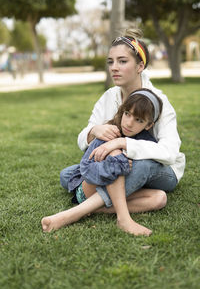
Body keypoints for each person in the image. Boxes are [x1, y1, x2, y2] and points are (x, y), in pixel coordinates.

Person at [43, 28, 185, 235]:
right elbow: (82, 138)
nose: (114, 68)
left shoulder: (159, 101)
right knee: (68, 175)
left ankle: (78, 213)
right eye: (111, 62)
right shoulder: (109, 97)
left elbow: (170, 152)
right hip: (125, 168)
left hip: (161, 170)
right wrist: (95, 131)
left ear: (140, 66)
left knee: (132, 161)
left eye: (122, 61)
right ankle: (106, 205)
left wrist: (122, 143)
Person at [41, 88, 163, 235]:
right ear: (122, 111)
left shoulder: (146, 143)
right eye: (127, 114)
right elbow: (87, 169)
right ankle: (123, 219)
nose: (129, 123)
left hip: (114, 192)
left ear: (149, 125)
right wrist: (120, 164)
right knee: (115, 156)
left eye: (138, 120)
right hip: (90, 186)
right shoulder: (110, 133)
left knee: (159, 198)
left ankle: (94, 208)